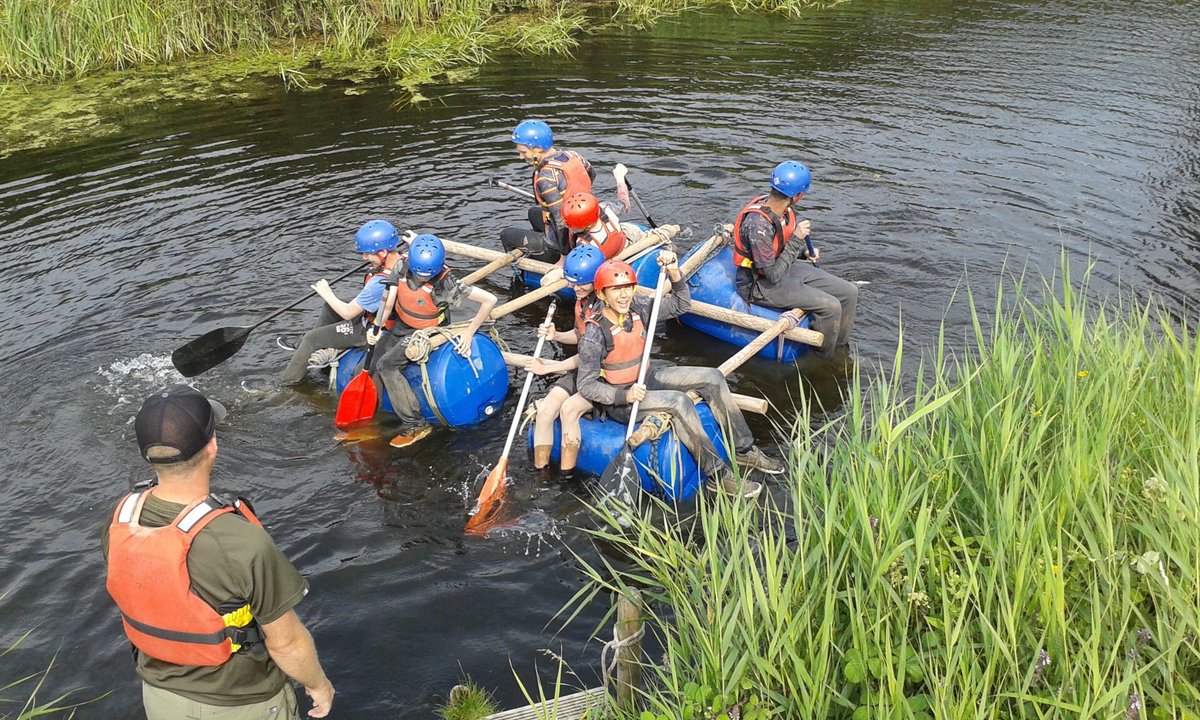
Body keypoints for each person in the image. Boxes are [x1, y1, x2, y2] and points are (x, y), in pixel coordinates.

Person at [103, 386, 335, 719]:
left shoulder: (119, 521)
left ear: (147, 455)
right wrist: (319, 685)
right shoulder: (241, 541)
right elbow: (287, 644)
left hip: (160, 697)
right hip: (245, 705)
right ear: (212, 447)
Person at [576, 259, 785, 498]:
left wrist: (675, 274)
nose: (623, 295)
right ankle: (717, 476)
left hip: (647, 378)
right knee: (679, 402)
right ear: (602, 294)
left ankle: (743, 449)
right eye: (616, 290)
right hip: (621, 401)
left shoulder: (639, 307)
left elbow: (681, 304)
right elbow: (586, 385)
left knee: (712, 377)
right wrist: (623, 395)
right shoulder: (594, 333)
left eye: (627, 288)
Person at [372, 233, 497, 448]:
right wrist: (377, 326)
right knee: (374, 360)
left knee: (387, 366)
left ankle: (416, 424)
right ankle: (373, 417)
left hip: (428, 331)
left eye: (427, 276)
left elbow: (490, 300)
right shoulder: (401, 266)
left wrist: (469, 331)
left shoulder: (445, 283)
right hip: (402, 325)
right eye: (419, 274)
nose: (422, 279)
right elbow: (389, 299)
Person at [732, 161, 858, 356]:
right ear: (797, 196)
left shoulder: (784, 210)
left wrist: (804, 253)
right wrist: (797, 240)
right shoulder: (757, 226)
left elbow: (779, 243)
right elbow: (772, 275)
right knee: (831, 306)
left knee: (849, 292)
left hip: (784, 267)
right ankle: (825, 357)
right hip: (758, 284)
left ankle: (840, 349)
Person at [279, 219, 404, 384]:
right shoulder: (404, 260)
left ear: (382, 253)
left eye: (367, 253)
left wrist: (326, 293)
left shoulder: (379, 283)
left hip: (371, 332)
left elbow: (348, 313)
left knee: (311, 338)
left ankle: (285, 383)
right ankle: (312, 353)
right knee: (330, 307)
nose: (364, 258)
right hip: (386, 319)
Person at [528, 245, 607, 480]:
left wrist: (549, 367)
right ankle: (541, 476)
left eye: (581, 283)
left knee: (568, 408)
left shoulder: (604, 311)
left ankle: (566, 478)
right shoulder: (581, 301)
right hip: (583, 370)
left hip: (604, 376)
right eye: (572, 283)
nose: (575, 288)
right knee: (545, 410)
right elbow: (579, 335)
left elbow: (589, 355)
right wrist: (557, 335)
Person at [501, 119, 596, 265]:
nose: (521, 157)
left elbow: (560, 221)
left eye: (523, 152)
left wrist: (563, 257)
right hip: (584, 225)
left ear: (538, 148)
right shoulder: (573, 156)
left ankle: (526, 268)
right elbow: (591, 175)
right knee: (533, 212)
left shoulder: (545, 178)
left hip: (561, 245)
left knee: (506, 234)